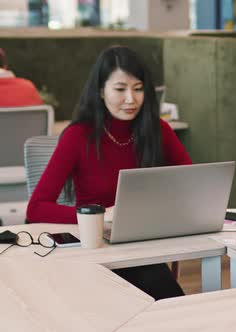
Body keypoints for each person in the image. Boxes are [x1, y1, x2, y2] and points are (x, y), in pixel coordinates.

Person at [26, 45, 190, 300]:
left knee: (170, 306)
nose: (130, 99)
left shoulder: (158, 130)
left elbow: (192, 185)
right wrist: (101, 216)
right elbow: (36, 208)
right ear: (101, 91)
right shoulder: (77, 136)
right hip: (95, 251)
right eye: (120, 89)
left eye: (138, 89)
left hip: (144, 247)